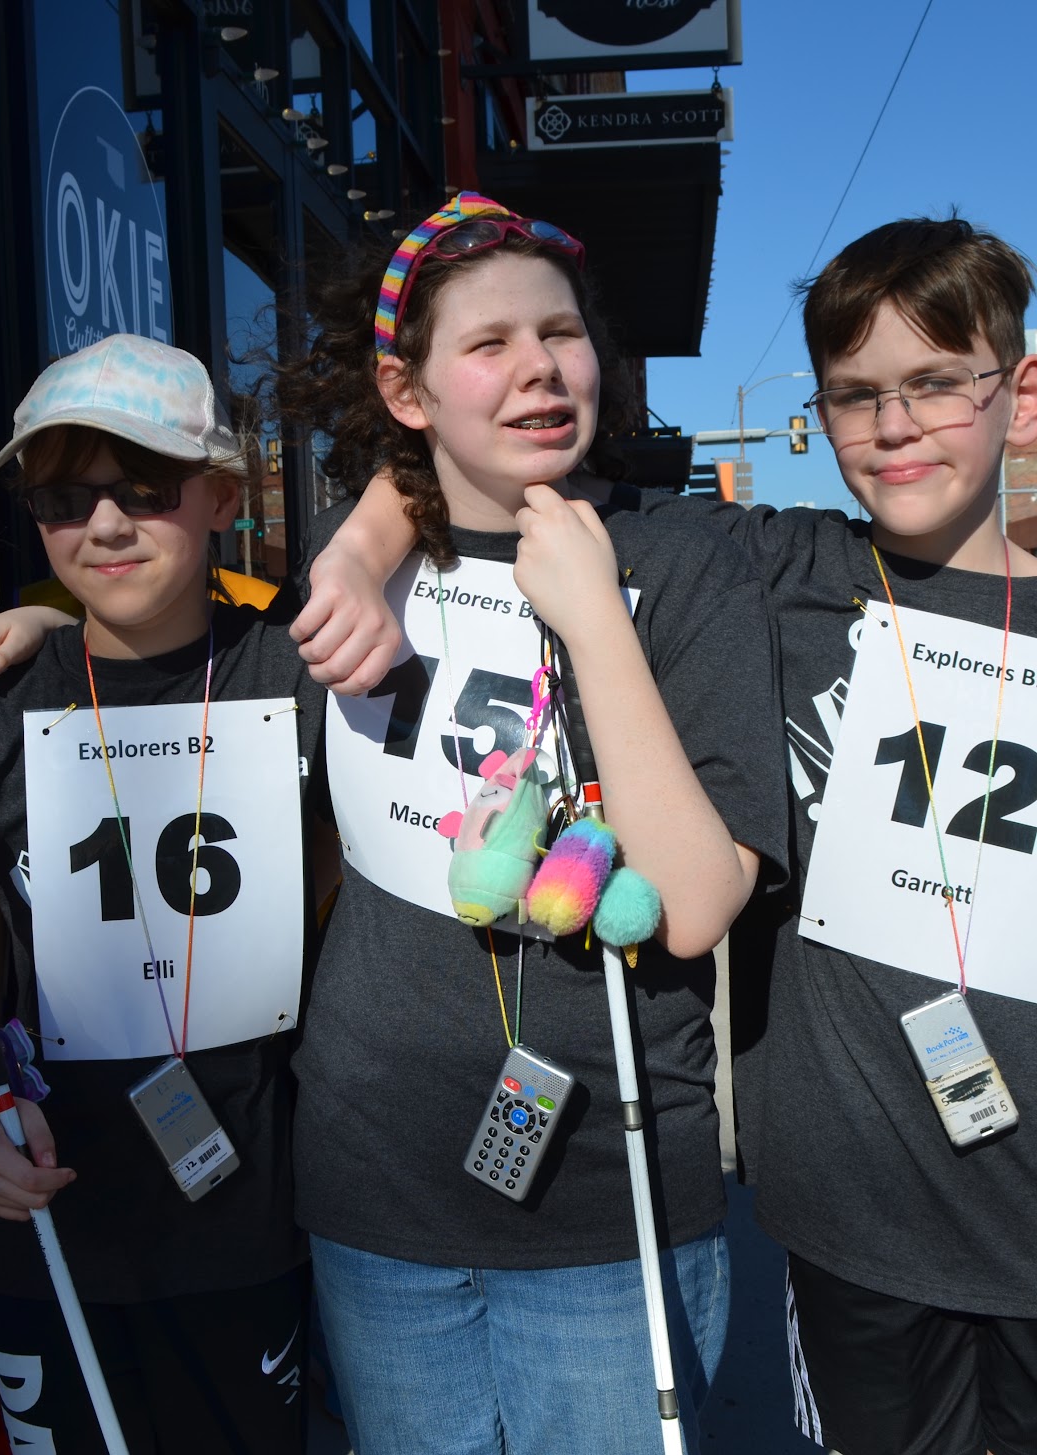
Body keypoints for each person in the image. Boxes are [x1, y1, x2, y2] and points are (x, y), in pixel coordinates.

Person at [312, 214, 1037, 1455]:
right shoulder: (785, 564)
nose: (895, 424)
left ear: (1015, 393)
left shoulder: (712, 564)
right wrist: (361, 530)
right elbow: (463, 461)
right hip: (855, 1221)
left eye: (933, 385)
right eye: (857, 397)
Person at [266, 192, 784, 1454]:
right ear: (408, 389)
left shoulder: (692, 558)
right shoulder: (355, 553)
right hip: (369, 1187)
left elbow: (699, 901)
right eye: (488, 345)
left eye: (560, 333)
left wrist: (594, 617)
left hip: (605, 1201)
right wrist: (39, 629)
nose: (541, 370)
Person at [0, 334, 327, 1453]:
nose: (101, 526)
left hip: (252, 1221)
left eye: (142, 489)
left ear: (221, 499)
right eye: (62, 496)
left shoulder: (301, 674)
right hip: (51, 1218)